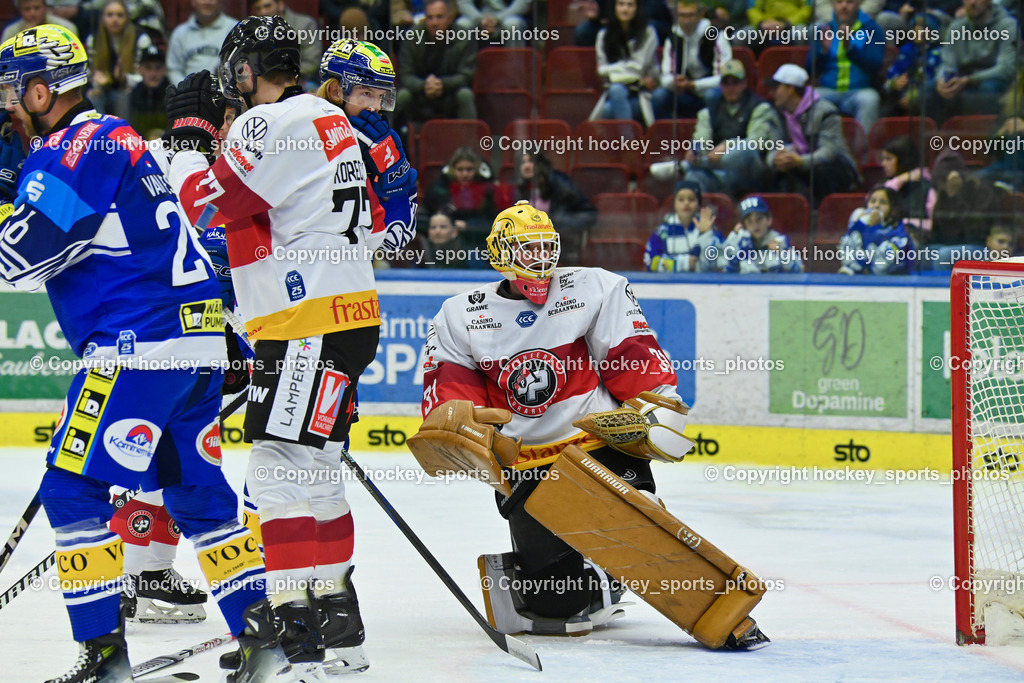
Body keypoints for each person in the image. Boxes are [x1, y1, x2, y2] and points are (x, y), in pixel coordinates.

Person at [0, 24, 287, 682]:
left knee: (71, 486)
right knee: (198, 496)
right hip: (195, 345)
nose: (9, 104)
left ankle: (105, 658)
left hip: (137, 349)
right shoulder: (119, 140)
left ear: (43, 91)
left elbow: (21, 256)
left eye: (15, 90)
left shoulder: (77, 146)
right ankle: (264, 639)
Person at [167, 18, 416, 677]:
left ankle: (292, 637)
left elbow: (205, 207)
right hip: (349, 316)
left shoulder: (268, 121)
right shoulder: (329, 119)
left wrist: (188, 143)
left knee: (276, 468)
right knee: (320, 471)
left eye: (235, 71)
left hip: (305, 324)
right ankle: (342, 629)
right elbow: (273, 218)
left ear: (247, 70)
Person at [413, 199, 770, 648]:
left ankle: (724, 615)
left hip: (595, 447)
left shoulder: (593, 287)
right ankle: (595, 578)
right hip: (526, 466)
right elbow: (451, 393)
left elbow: (632, 353)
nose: (540, 258)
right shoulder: (460, 314)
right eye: (527, 249)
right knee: (556, 607)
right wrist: (458, 424)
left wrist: (658, 410)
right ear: (501, 255)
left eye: (546, 247)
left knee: (639, 534)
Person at [678, 58, 781, 197]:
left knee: (742, 151)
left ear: (745, 83)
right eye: (726, 83)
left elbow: (756, 142)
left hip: (749, 172)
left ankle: (685, 166)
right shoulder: (709, 110)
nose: (731, 87)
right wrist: (695, 150)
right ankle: (699, 208)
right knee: (693, 176)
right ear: (720, 85)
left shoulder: (760, 107)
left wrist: (727, 145)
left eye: (735, 82)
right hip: (718, 174)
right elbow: (701, 138)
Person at [767, 63, 861, 204]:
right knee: (774, 173)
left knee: (822, 171)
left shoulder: (825, 112)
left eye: (776, 88)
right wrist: (775, 159)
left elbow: (829, 152)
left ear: (790, 89)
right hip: (798, 165)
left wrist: (800, 161)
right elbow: (772, 145)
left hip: (836, 169)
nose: (771, 93)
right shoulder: (776, 113)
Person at [927, 0, 1017, 123]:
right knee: (929, 89)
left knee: (989, 88)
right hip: (962, 79)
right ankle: (937, 134)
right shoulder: (955, 28)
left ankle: (990, 133)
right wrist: (941, 80)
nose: (972, 2)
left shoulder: (1008, 25)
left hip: (992, 78)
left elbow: (1006, 68)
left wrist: (969, 80)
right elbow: (947, 64)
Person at [806, 0, 884, 134]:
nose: (844, 6)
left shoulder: (873, 30)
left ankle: (863, 146)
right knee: (809, 97)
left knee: (870, 99)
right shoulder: (823, 30)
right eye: (839, 2)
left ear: (859, 3)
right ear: (832, 4)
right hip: (828, 91)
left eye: (849, 2)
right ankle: (812, 145)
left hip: (859, 92)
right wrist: (823, 52)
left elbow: (875, 66)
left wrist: (849, 48)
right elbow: (810, 71)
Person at [395, 0, 477, 125]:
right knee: (402, 95)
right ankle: (388, 135)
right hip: (420, 94)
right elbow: (406, 74)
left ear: (449, 19)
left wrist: (442, 84)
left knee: (465, 95)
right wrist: (424, 85)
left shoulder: (464, 37)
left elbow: (466, 75)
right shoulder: (412, 37)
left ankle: (468, 137)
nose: (434, 22)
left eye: (439, 17)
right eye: (430, 18)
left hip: (450, 93)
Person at [514, 151, 597, 266]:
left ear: (540, 164)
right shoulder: (522, 188)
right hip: (535, 242)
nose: (526, 166)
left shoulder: (558, 182)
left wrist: (556, 222)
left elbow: (587, 213)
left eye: (531, 161)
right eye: (523, 162)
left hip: (561, 239)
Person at [653, 0, 731, 120]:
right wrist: (673, 82)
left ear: (700, 15)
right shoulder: (673, 37)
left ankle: (714, 131)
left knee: (712, 96)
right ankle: (666, 131)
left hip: (707, 89)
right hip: (682, 90)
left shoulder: (716, 36)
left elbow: (723, 77)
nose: (686, 21)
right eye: (682, 15)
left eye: (690, 15)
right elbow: (665, 76)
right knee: (659, 96)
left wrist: (693, 85)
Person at [591, 0, 662, 127]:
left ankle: (625, 138)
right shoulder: (603, 35)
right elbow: (602, 72)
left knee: (608, 110)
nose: (625, 9)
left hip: (642, 92)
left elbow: (639, 67)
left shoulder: (648, 33)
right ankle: (628, 137)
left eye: (630, 5)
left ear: (637, 8)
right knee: (616, 90)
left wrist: (608, 69)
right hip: (614, 91)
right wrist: (624, 70)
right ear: (615, 7)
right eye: (621, 4)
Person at [425, 146, 514, 241]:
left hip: (479, 241)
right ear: (452, 169)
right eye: (460, 169)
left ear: (477, 170)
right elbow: (425, 216)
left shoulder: (489, 191)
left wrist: (469, 226)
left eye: (469, 169)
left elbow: (498, 223)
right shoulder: (438, 190)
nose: (465, 174)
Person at [85, 0, 153, 118]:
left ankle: (124, 130)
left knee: (121, 97)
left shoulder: (141, 38)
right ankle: (98, 129)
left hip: (133, 89)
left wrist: (124, 78)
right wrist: (97, 84)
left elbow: (146, 75)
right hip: (104, 89)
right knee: (93, 97)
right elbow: (89, 72)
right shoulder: (93, 39)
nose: (115, 19)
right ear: (103, 18)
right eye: (110, 15)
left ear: (127, 18)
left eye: (120, 15)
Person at [645, 180, 723, 272]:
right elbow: (651, 262)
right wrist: (684, 263)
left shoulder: (710, 227)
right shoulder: (663, 231)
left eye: (691, 199)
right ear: (674, 203)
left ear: (698, 203)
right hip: (671, 281)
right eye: (681, 199)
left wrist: (706, 234)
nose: (686, 203)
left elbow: (721, 261)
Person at [838, 186, 916, 274]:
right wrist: (860, 224)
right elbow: (848, 239)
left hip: (889, 274)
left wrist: (875, 227)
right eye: (873, 201)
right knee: (853, 236)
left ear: (893, 208)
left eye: (883, 202)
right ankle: (853, 268)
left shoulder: (898, 228)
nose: (876, 205)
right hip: (862, 270)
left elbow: (886, 260)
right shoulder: (861, 224)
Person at [717, 196, 803, 273]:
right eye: (749, 221)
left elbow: (799, 270)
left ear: (769, 220)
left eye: (759, 219)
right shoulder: (739, 242)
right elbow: (726, 271)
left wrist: (781, 254)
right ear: (744, 225)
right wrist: (737, 250)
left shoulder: (780, 242)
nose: (755, 224)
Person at [249, 0, 321, 87]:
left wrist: (282, 76)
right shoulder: (256, 28)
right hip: (266, 80)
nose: (263, 12)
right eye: (258, 9)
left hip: (301, 78)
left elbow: (311, 63)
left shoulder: (304, 25)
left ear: (280, 5)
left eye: (267, 6)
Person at [166, 0, 238, 85]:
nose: (207, 2)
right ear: (193, 2)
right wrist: (185, 88)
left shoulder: (234, 29)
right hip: (188, 90)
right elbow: (174, 69)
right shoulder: (180, 33)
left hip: (224, 90)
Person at [127, 43, 170, 137]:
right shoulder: (133, 95)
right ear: (139, 69)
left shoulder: (174, 95)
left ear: (165, 70)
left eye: (158, 67)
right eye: (148, 67)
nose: (153, 74)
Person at [1, 0, 76, 41]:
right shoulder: (10, 32)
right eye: (27, 9)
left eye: (37, 8)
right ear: (20, 11)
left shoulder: (66, 28)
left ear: (45, 8)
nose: (32, 13)